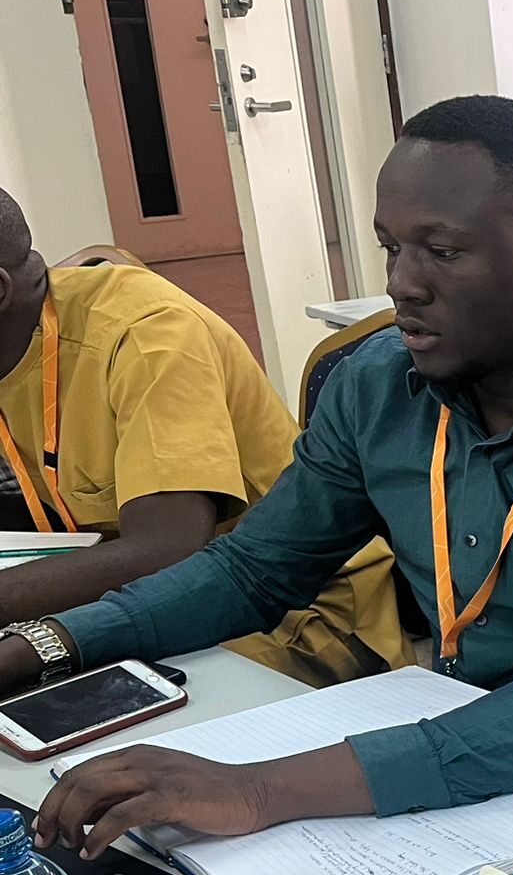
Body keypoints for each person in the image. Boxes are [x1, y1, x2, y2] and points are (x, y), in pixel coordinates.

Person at [25, 96, 513, 874]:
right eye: (390, 247)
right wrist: (45, 644)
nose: (400, 284)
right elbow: (253, 570)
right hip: (455, 720)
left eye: (441, 252)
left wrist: (256, 791)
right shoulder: (379, 385)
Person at [0, 191, 406, 687]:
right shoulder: (13, 338)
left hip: (286, 614)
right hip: (132, 597)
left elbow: (167, 549)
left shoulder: (147, 336)